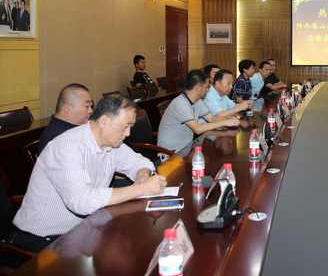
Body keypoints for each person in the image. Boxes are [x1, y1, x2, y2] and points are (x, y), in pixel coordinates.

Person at [11, 95, 167, 252]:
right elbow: (82, 201)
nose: (127, 133)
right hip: (43, 240)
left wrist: (142, 178)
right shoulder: (67, 147)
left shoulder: (111, 144)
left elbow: (140, 162)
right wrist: (139, 189)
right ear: (104, 121)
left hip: (84, 229)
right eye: (126, 126)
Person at [158, 69, 240, 153]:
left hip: (186, 148)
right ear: (197, 87)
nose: (208, 90)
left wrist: (228, 119)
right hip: (170, 152)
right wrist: (225, 122)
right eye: (207, 87)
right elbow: (197, 129)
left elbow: (211, 118)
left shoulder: (197, 101)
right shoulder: (180, 104)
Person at [38, 84, 94, 155]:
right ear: (67, 108)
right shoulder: (57, 138)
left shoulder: (73, 127)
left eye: (90, 106)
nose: (90, 111)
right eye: (87, 106)